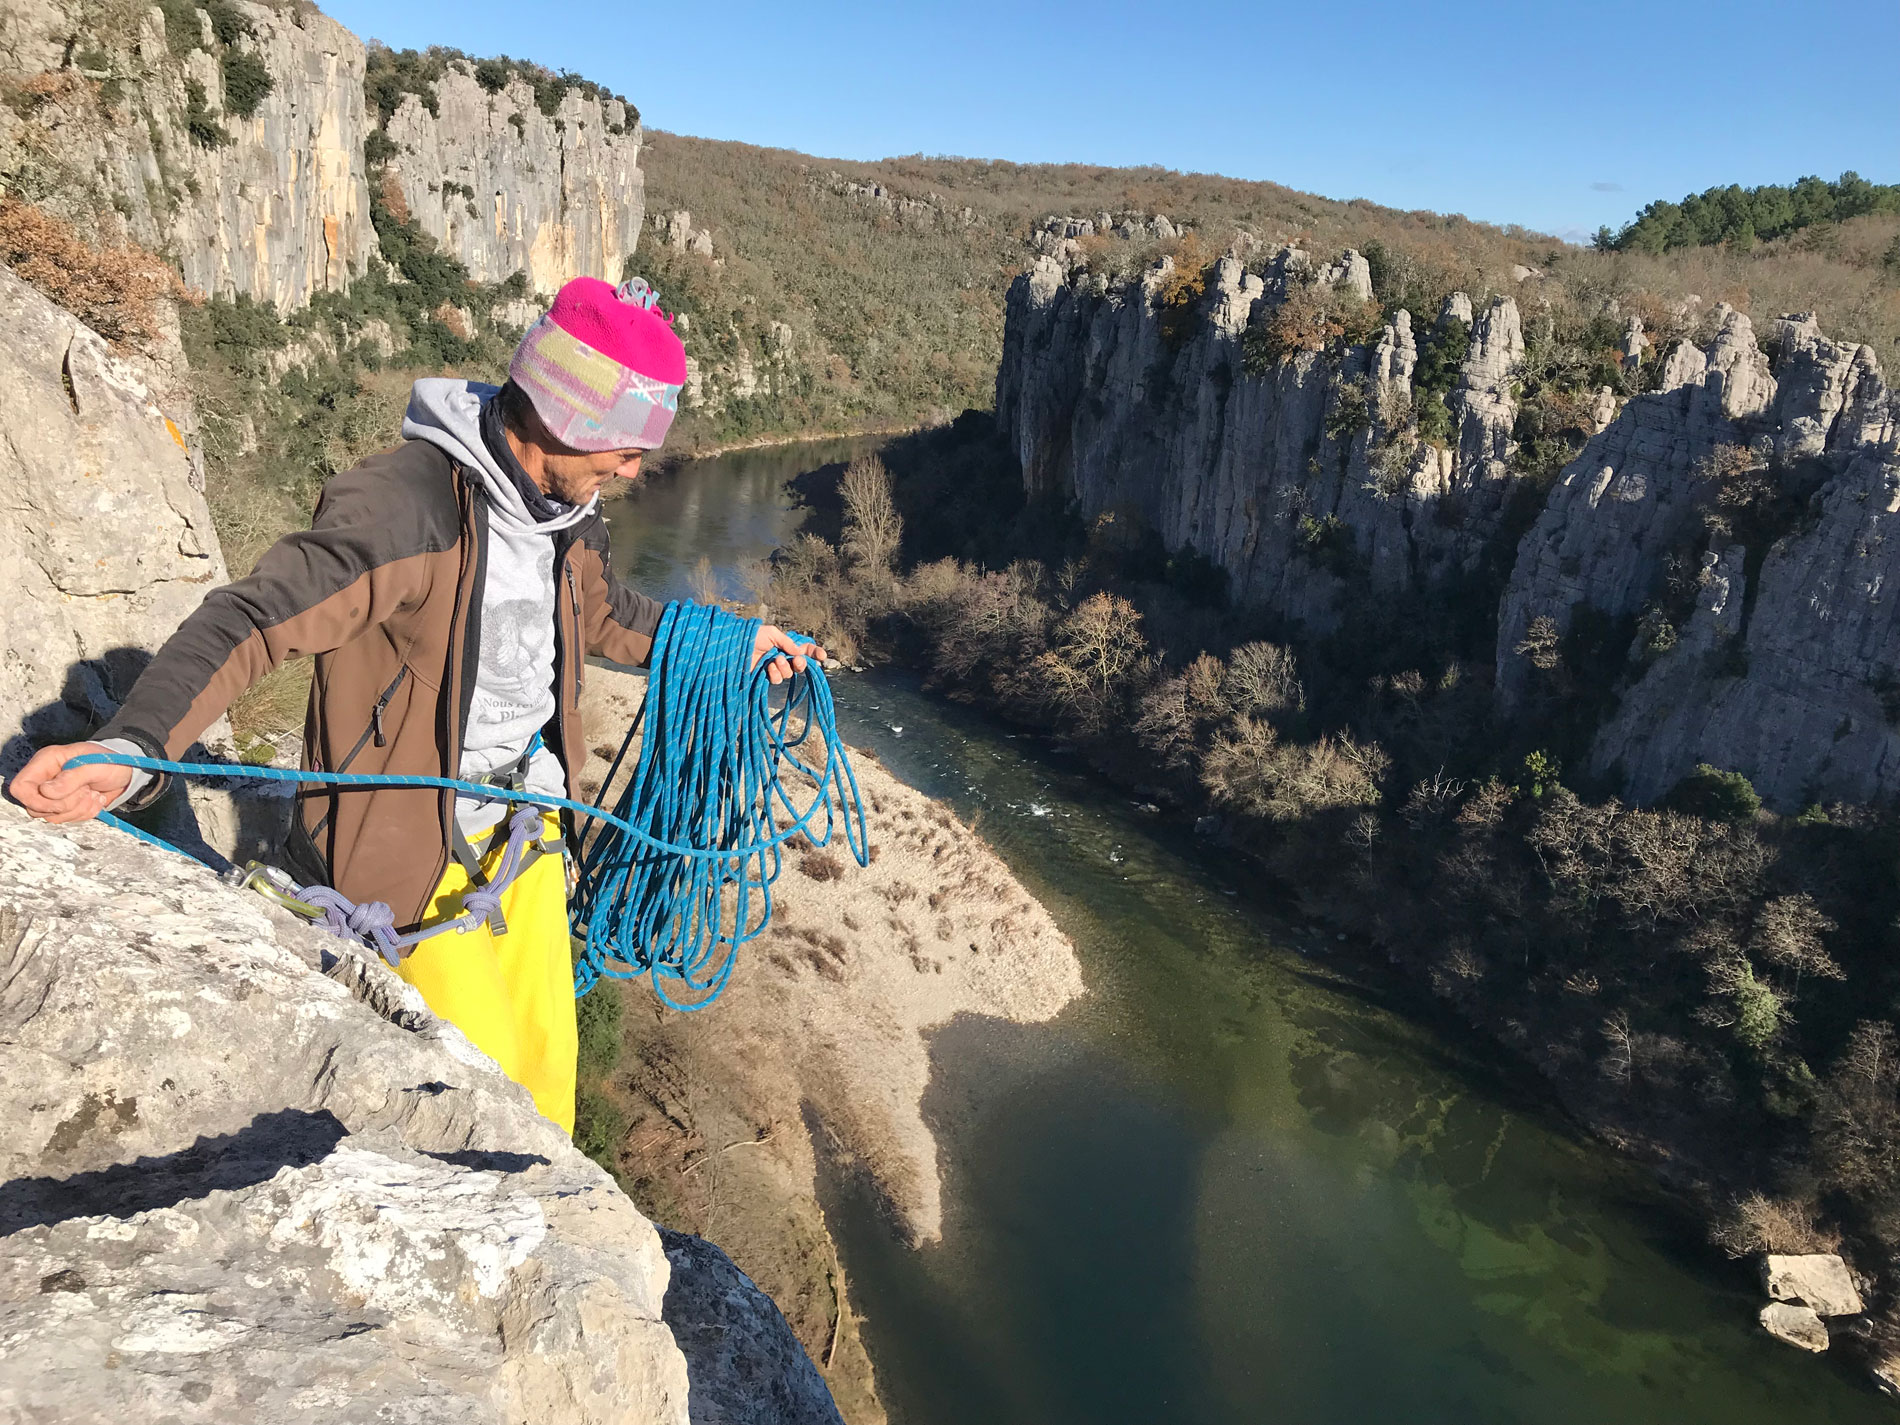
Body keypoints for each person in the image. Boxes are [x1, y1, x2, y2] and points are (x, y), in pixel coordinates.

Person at [8, 275, 820, 1135]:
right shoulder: (405, 506)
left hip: (530, 831)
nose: (634, 467)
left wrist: (731, 644)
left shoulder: (571, 511)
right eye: (624, 445)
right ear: (560, 416)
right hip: (414, 863)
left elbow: (607, 615)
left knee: (548, 1091)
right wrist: (134, 741)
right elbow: (253, 620)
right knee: (475, 1112)